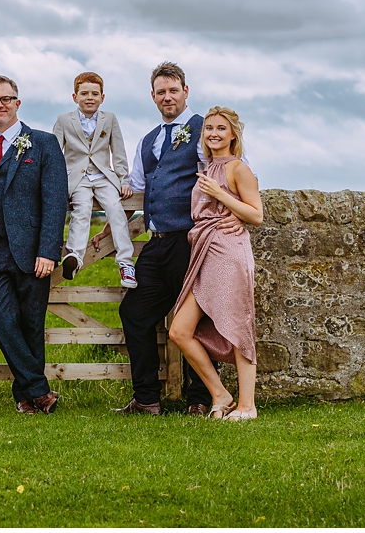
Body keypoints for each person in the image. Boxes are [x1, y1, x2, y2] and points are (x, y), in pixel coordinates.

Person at [110, 61, 247, 417]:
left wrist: (234, 212)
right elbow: (137, 187)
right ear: (152, 97)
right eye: (161, 92)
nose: (167, 97)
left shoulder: (204, 129)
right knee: (134, 312)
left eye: (173, 90)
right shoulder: (148, 140)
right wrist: (109, 228)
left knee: (198, 321)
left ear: (186, 91)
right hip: (157, 242)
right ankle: (147, 398)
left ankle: (200, 399)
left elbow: (233, 169)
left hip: (193, 241)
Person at [0, 75, 69, 414]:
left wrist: (48, 250)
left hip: (33, 252)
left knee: (31, 324)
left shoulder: (43, 144)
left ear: (17, 103)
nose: (0, 104)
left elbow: (55, 201)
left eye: (6, 98)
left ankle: (26, 398)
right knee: (1, 319)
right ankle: (40, 390)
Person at [169, 107, 262, 421]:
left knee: (237, 326)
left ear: (233, 134)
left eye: (221, 129)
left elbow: (256, 215)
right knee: (179, 330)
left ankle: (247, 406)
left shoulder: (237, 168)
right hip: (205, 251)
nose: (213, 134)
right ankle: (220, 394)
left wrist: (221, 197)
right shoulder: (207, 168)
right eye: (208, 128)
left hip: (230, 252)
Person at [52, 71, 135, 288]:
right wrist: (56, 184)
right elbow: (54, 155)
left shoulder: (110, 119)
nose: (90, 97)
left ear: (102, 97)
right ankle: (75, 256)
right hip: (77, 179)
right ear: (75, 97)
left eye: (95, 94)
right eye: (84, 93)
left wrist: (124, 180)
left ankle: (126, 262)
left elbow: (118, 152)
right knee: (81, 211)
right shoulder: (63, 120)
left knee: (116, 210)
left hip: (103, 176)